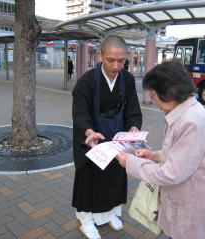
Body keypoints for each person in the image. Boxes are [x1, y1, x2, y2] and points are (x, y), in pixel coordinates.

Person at [116, 60, 205, 239]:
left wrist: (131, 162)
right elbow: (182, 156)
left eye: (153, 94)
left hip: (193, 206)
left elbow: (171, 173)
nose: (153, 100)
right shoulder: (184, 112)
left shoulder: (191, 121)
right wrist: (153, 155)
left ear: (169, 93)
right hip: (188, 198)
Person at [72, 35, 142, 239]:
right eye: (111, 60)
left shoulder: (127, 79)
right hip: (92, 139)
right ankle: (86, 219)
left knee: (115, 178)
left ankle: (111, 213)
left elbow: (133, 110)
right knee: (90, 181)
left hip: (117, 139)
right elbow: (79, 114)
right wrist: (89, 132)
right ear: (100, 55)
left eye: (121, 61)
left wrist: (133, 127)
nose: (116, 66)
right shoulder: (86, 81)